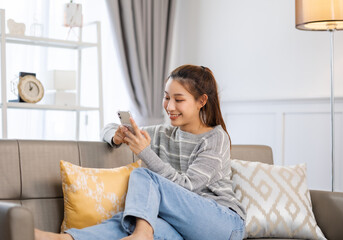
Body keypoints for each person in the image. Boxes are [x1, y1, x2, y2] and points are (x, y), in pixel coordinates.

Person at [35, 64, 245, 240]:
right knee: (134, 219)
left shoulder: (216, 137)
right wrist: (116, 136)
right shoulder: (164, 134)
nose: (169, 106)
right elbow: (106, 128)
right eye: (166, 98)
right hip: (182, 224)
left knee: (144, 176)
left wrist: (146, 152)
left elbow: (187, 187)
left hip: (223, 224)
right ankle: (66, 238)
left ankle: (141, 235)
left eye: (178, 99)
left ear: (202, 101)